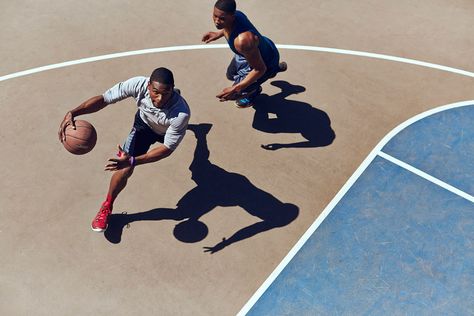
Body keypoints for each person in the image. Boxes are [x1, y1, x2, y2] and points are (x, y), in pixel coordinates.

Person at [58, 67, 190, 232]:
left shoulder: (181, 114)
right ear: (148, 85)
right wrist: (74, 112)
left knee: (199, 163)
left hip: (166, 130)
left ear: (172, 89)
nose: (160, 98)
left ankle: (199, 134)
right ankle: (107, 205)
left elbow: (167, 149)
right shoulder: (137, 84)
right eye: (156, 92)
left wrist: (134, 160)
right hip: (143, 126)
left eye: (167, 93)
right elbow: (105, 99)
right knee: (125, 169)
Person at [202, 0, 287, 108]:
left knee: (236, 94)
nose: (217, 21)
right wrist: (218, 34)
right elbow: (228, 28)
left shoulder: (243, 41)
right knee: (231, 74)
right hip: (253, 52)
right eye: (215, 16)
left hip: (265, 62)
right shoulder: (236, 15)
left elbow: (260, 69)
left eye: (222, 18)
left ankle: (255, 90)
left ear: (232, 17)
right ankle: (274, 70)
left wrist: (237, 88)